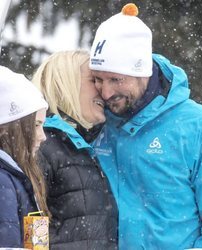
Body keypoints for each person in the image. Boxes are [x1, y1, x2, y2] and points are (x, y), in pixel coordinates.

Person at [89, 3, 202, 250]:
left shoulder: (200, 127)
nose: (106, 92)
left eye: (116, 79)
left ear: (143, 71)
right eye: (98, 79)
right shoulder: (93, 122)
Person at [32, 50, 118, 250]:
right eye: (94, 80)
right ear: (65, 84)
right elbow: (30, 216)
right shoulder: (42, 144)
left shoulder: (89, 148)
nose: (104, 91)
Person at [0, 66, 50, 247]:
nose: (43, 136)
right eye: (36, 125)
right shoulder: (3, 181)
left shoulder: (22, 177)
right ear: (11, 128)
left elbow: (37, 246)